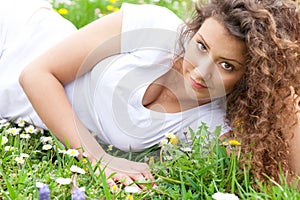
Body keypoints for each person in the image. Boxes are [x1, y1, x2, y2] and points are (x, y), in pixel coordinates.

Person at [1, 0, 299, 187]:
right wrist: (97, 158)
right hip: (18, 29)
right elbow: (37, 74)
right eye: (201, 46)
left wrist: (285, 89)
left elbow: (289, 181)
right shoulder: (152, 25)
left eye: (226, 65)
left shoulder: (212, 125)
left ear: (253, 77)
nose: (199, 71)